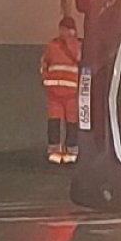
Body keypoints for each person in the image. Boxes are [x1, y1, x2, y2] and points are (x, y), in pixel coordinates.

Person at [40, 16, 81, 164]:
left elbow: (44, 65)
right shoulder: (55, 45)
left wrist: (45, 80)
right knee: (56, 122)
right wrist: (45, 80)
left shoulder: (74, 46)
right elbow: (44, 64)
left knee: (69, 122)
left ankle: (68, 151)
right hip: (59, 93)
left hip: (67, 93)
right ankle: (57, 151)